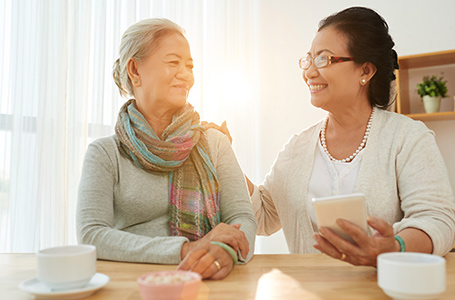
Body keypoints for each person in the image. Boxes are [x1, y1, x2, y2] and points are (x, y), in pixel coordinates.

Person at [206, 7, 455, 267]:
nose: (310, 72)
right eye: (308, 60)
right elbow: (265, 215)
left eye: (324, 59)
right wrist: (226, 156)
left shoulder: (408, 138)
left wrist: (395, 247)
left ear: (365, 71)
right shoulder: (297, 147)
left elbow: (437, 220)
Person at [76, 18, 257, 280]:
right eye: (174, 63)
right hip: (126, 283)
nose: (186, 74)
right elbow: (91, 235)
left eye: (189, 66)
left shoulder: (214, 143)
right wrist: (186, 249)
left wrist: (224, 250)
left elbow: (243, 218)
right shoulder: (104, 153)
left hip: (204, 280)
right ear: (135, 70)